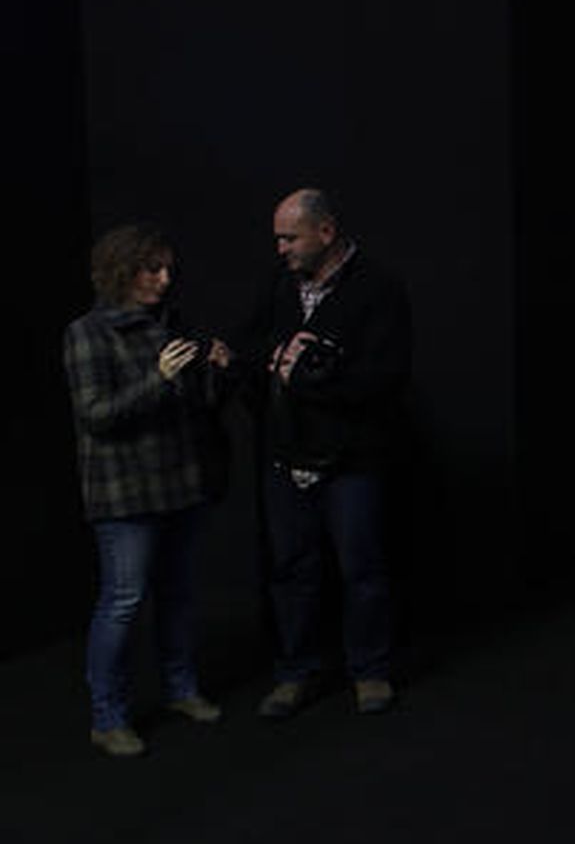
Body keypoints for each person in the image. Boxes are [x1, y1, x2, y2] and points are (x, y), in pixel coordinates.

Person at [64, 223, 233, 757]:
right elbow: (96, 416)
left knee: (179, 595)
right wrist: (156, 380)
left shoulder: (170, 324)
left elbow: (196, 408)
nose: (164, 279)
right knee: (123, 600)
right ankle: (107, 716)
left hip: (179, 484)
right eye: (152, 269)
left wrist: (215, 373)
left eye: (167, 268)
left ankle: (181, 690)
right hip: (124, 494)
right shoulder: (87, 332)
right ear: (122, 272)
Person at [254, 187, 411, 718]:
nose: (281, 248)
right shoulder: (282, 287)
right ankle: (296, 673)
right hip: (287, 457)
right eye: (277, 238)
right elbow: (256, 350)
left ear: (325, 232)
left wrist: (310, 378)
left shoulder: (379, 289)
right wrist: (237, 360)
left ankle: (369, 670)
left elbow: (385, 380)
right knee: (292, 571)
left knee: (361, 569)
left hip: (351, 462)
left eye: (289, 237)